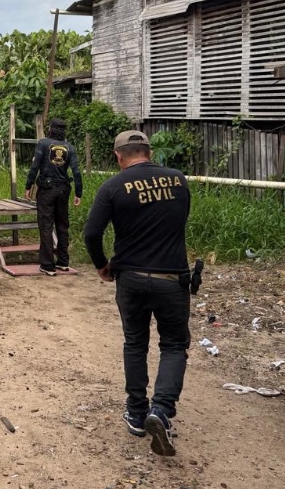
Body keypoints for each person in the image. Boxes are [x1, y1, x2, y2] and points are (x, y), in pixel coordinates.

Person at [82, 130, 192, 457]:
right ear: (149, 151)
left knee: (135, 342)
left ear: (118, 156)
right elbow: (178, 221)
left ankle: (136, 411)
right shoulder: (178, 181)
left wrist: (103, 265)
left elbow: (91, 233)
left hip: (129, 277)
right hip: (172, 278)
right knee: (173, 344)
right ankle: (161, 409)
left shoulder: (113, 187)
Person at [23, 118, 82, 276]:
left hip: (47, 189)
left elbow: (35, 167)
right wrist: (79, 192)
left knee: (46, 226)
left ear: (51, 129)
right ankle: (63, 262)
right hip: (64, 189)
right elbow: (76, 171)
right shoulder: (70, 147)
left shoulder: (43, 144)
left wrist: (28, 186)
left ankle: (47, 265)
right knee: (62, 225)